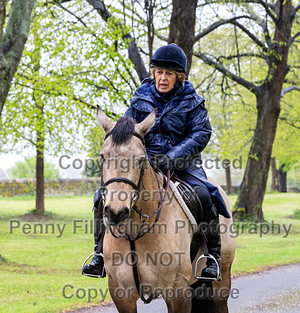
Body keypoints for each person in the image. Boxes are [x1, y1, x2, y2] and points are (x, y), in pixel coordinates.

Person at [82, 43, 230, 280]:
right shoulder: (140, 98)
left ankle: (211, 257)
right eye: (159, 72)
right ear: (153, 73)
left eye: (169, 74)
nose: (163, 78)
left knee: (204, 194)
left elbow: (201, 133)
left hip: (184, 164)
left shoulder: (194, 101)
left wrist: (172, 158)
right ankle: (99, 254)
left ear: (179, 76)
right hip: (145, 162)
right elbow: (127, 130)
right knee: (102, 196)